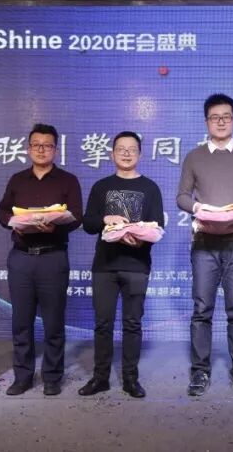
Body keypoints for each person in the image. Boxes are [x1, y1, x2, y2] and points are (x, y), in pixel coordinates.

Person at [177, 93, 233, 397]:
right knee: (202, 310)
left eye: (226, 117)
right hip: (204, 243)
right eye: (215, 117)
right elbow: (182, 196)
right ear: (207, 122)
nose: (221, 122)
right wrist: (199, 209)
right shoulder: (194, 156)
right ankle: (199, 372)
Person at [0, 123, 83, 396]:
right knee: (21, 322)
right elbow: (2, 211)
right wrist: (14, 223)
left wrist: (55, 225)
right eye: (36, 145)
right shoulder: (17, 180)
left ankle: (52, 377)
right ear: (28, 148)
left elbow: (77, 215)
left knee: (54, 322)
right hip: (21, 259)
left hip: (53, 258)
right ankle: (22, 376)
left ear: (56, 150)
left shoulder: (68, 180)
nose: (41, 150)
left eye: (47, 145)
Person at [77, 131, 165, 399]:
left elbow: (158, 226)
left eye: (132, 149)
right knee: (103, 323)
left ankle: (130, 379)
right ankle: (100, 377)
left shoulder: (150, 188)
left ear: (140, 154)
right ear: (112, 153)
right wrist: (105, 219)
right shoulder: (101, 186)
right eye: (121, 149)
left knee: (132, 324)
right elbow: (88, 223)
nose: (126, 153)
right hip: (105, 266)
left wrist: (139, 240)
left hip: (137, 265)